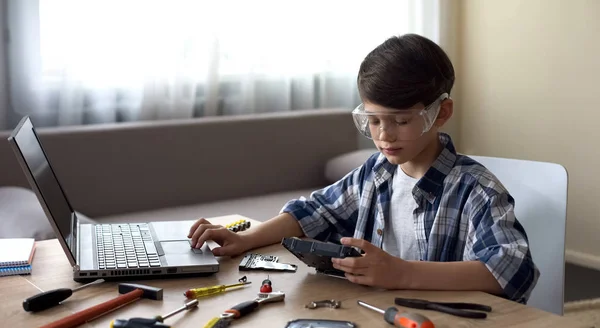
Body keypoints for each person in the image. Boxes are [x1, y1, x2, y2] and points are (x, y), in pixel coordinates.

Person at [188, 33, 539, 304]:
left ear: (440, 113)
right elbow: (313, 213)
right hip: (375, 315)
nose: (384, 135)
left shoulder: (475, 190)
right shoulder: (376, 172)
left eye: (401, 120)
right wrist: (244, 238)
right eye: (372, 120)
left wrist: (401, 272)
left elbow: (511, 269)